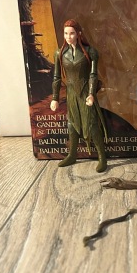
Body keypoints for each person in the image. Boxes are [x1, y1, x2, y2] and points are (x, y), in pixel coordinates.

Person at [50, 19, 107, 172]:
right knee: (72, 123)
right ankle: (72, 154)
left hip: (85, 91)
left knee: (92, 123)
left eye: (72, 33)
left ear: (78, 34)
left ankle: (102, 157)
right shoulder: (60, 53)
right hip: (71, 93)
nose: (68, 37)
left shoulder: (90, 52)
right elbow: (56, 77)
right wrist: (55, 98)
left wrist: (91, 94)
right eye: (66, 33)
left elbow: (93, 75)